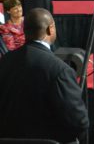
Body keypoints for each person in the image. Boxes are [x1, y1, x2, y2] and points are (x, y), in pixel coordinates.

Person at [0, 8, 89, 142]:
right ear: (50, 29)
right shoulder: (60, 70)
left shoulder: (5, 61)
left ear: (25, 30)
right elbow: (79, 122)